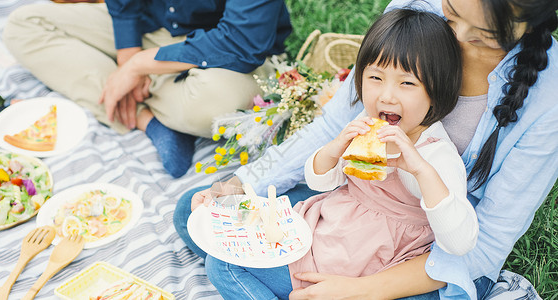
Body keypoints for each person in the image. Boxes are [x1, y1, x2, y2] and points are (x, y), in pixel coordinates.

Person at [177, 0, 558, 299]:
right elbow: (329, 136)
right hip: (357, 206)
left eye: (483, 34)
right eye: (451, 12)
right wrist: (244, 183)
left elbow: (480, 246)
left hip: (421, 251)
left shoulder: (547, 99)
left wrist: (362, 291)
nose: (454, 38)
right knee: (196, 213)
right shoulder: (414, 12)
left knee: (226, 262)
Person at [2, 0, 292, 178]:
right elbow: (124, 7)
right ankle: (149, 120)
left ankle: (151, 96)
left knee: (224, 105)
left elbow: (242, 42)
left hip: (225, 54)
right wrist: (127, 54)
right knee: (23, 25)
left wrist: (137, 66)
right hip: (153, 27)